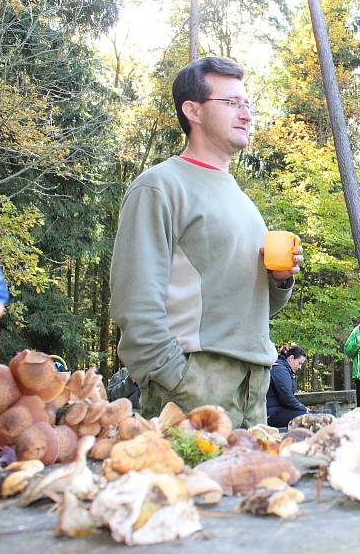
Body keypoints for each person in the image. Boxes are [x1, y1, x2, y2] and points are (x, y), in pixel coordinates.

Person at [109, 56, 302, 427]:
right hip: (193, 380)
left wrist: (280, 280)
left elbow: (256, 307)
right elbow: (133, 299)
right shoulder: (160, 186)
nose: (246, 114)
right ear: (193, 111)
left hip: (255, 384)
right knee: (186, 486)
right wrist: (173, 377)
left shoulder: (244, 202)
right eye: (231, 103)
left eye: (247, 104)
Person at [266, 345, 309, 428]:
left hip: (276, 410)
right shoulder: (280, 369)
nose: (300, 367)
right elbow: (287, 397)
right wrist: (303, 408)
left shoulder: (283, 367)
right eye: (299, 363)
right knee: (306, 418)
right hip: (270, 414)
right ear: (291, 358)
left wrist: (301, 407)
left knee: (307, 416)